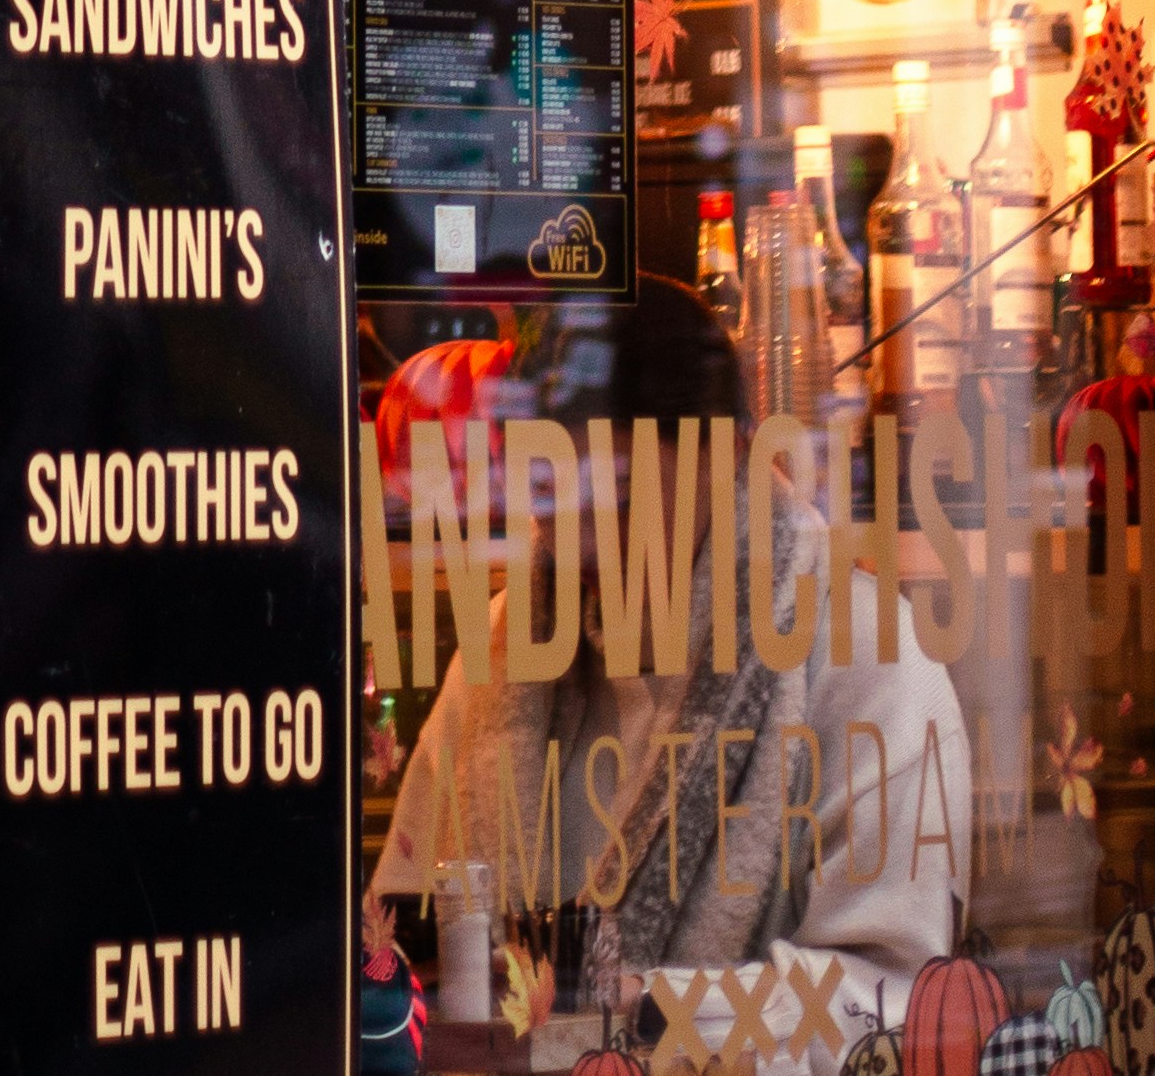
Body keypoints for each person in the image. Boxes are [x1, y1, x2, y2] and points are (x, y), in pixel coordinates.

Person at [371, 277, 968, 1040]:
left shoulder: (869, 659)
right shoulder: (500, 655)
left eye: (618, 494)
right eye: (549, 493)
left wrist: (633, 1011)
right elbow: (394, 942)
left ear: (733, 458)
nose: (580, 546)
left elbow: (894, 1003)